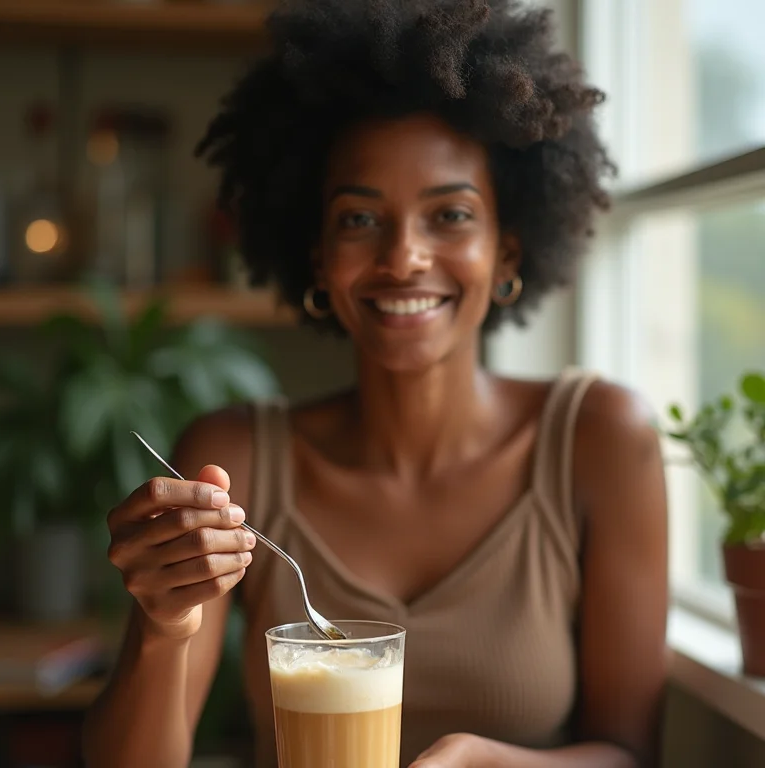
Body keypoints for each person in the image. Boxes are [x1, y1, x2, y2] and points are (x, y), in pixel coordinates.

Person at [82, 1, 668, 766]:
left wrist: (484, 763)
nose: (404, 258)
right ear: (318, 257)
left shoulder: (601, 439)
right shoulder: (238, 458)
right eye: (360, 221)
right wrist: (165, 628)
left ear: (508, 253)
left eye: (450, 215)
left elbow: (631, 753)